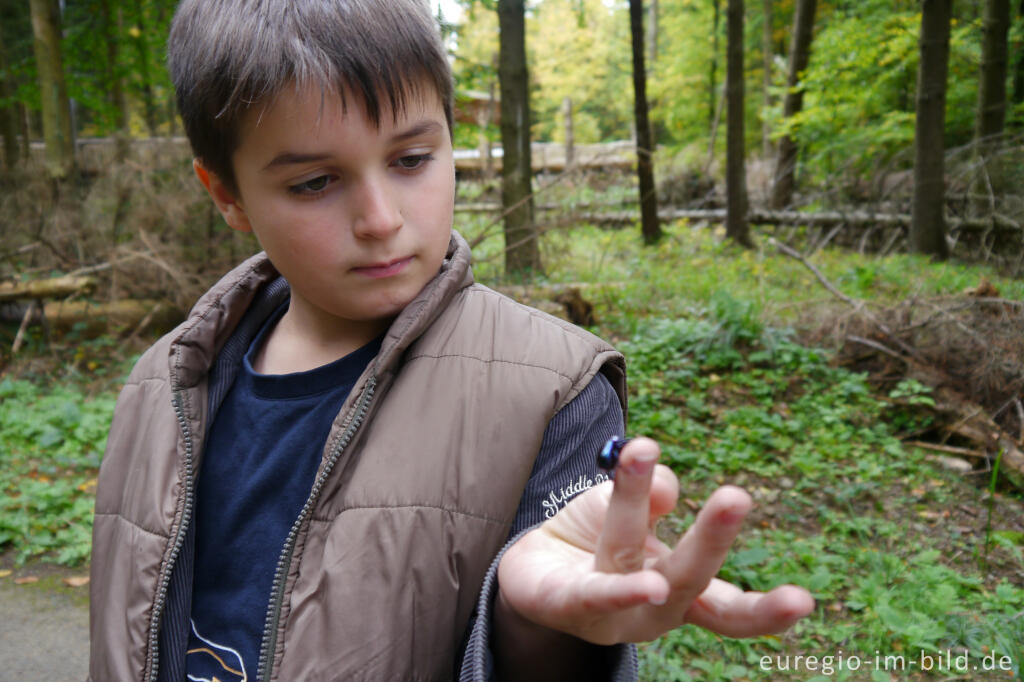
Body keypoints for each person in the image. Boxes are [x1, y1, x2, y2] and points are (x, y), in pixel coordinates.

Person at [88, 0, 814, 679]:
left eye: (411, 160)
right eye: (314, 182)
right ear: (226, 195)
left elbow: (551, 623)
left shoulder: (553, 388)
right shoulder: (162, 384)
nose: (381, 219)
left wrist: (534, 623)